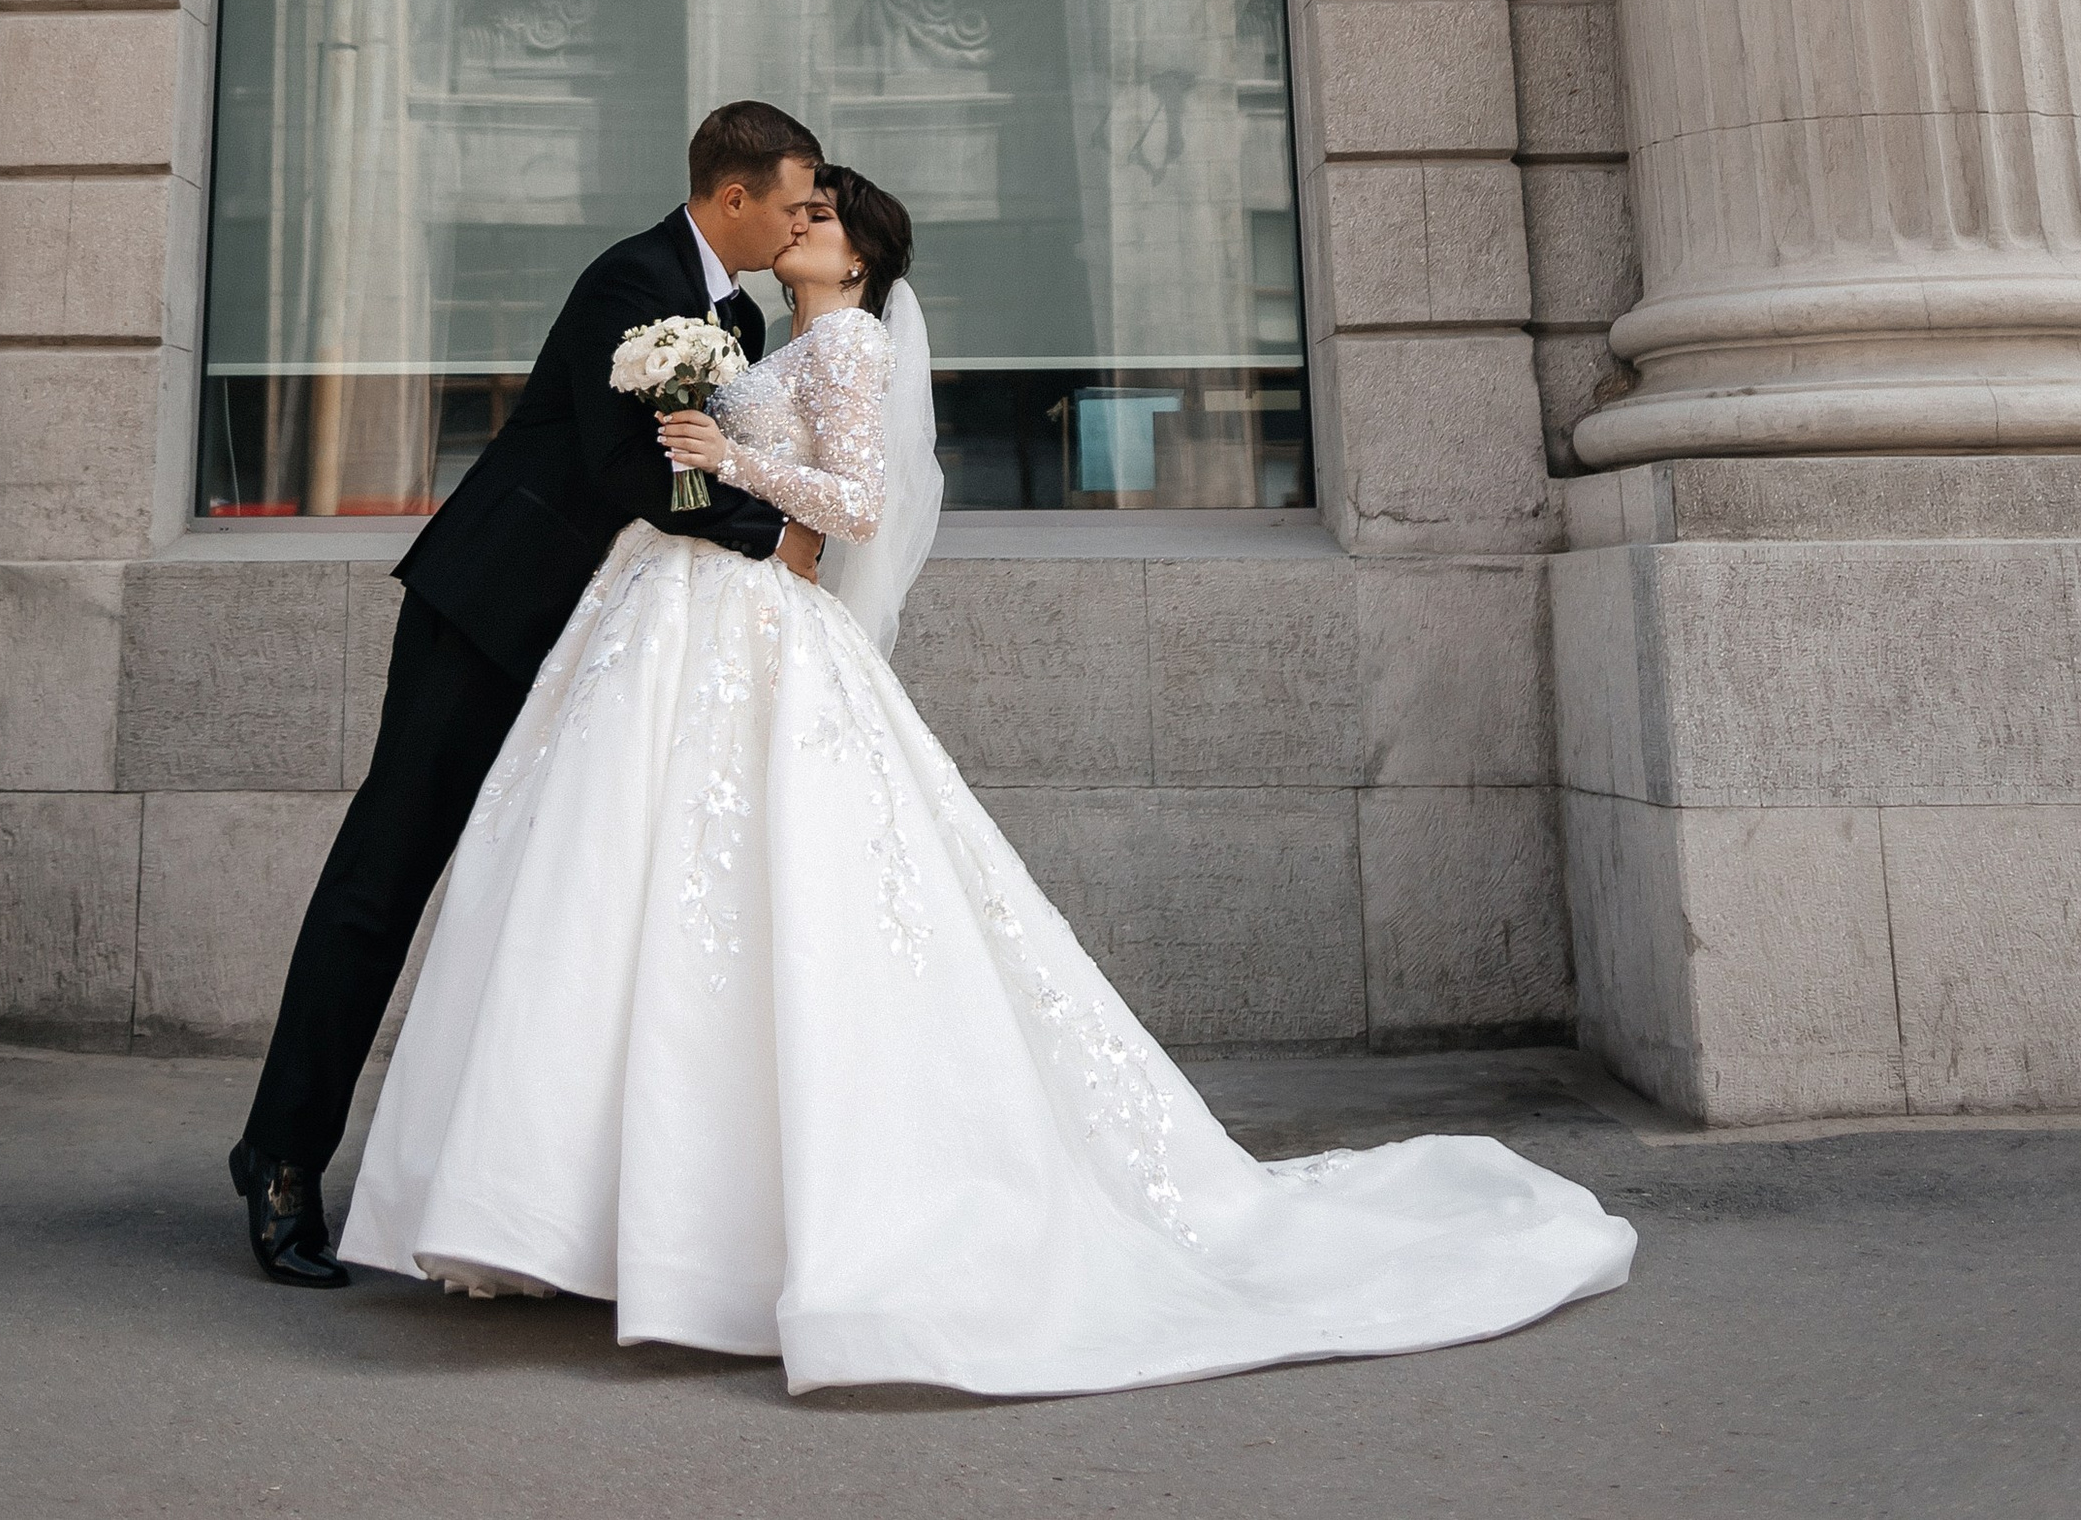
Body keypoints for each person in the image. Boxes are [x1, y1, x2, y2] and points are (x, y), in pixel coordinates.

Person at [335, 160, 1637, 1395]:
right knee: (661, 913)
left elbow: (851, 501)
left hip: (761, 636)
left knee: (750, 913)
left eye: (828, 211)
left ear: (864, 251)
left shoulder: (848, 342)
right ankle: (626, 1211)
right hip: (698, 629)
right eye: (802, 202)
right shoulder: (764, 335)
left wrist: (727, 457)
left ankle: (702, 1221)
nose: (804, 218)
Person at [228, 96, 824, 1284]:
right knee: (382, 878)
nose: (809, 217)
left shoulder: (736, 309)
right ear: (735, 195)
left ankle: (520, 1194)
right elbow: (629, 468)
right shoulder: (633, 280)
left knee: (558, 907)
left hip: (600, 645)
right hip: (492, 612)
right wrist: (778, 527)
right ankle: (281, 1160)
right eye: (796, 198)